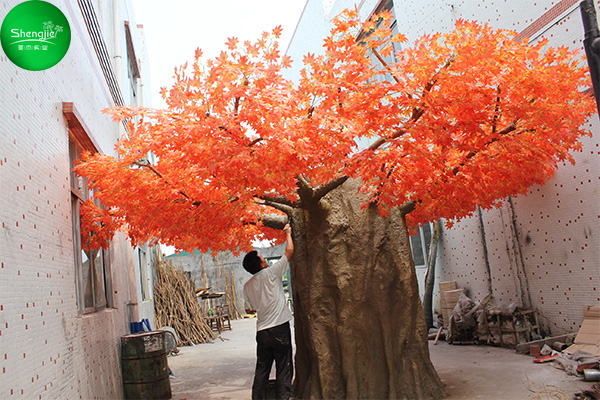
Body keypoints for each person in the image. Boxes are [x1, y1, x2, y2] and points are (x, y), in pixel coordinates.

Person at [243, 223, 294, 400]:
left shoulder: (247, 286)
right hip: (280, 328)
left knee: (262, 369)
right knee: (284, 367)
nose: (264, 259)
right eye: (262, 258)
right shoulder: (272, 272)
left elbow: (249, 309)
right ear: (261, 264)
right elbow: (289, 252)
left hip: (262, 331)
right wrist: (288, 233)